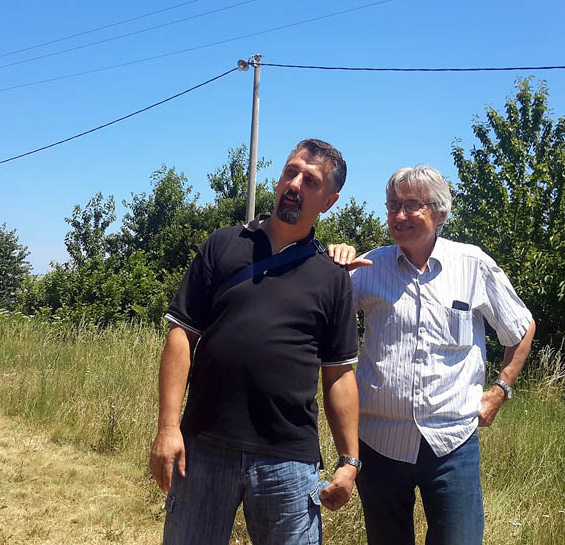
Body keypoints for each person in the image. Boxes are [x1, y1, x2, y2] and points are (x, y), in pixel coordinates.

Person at [149, 139, 361, 545]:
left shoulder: (333, 275)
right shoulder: (223, 244)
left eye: (310, 181)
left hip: (290, 460)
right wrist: (168, 428)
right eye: (290, 172)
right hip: (203, 447)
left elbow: (338, 374)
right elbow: (181, 335)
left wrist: (349, 460)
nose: (294, 184)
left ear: (329, 201)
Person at [328, 166, 536, 545]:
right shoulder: (369, 268)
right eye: (393, 206)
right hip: (379, 443)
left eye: (412, 205)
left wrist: (499, 391)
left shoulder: (472, 265)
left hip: (451, 443)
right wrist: (332, 268)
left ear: (440, 213)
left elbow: (521, 328)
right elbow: (320, 316)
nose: (399, 215)